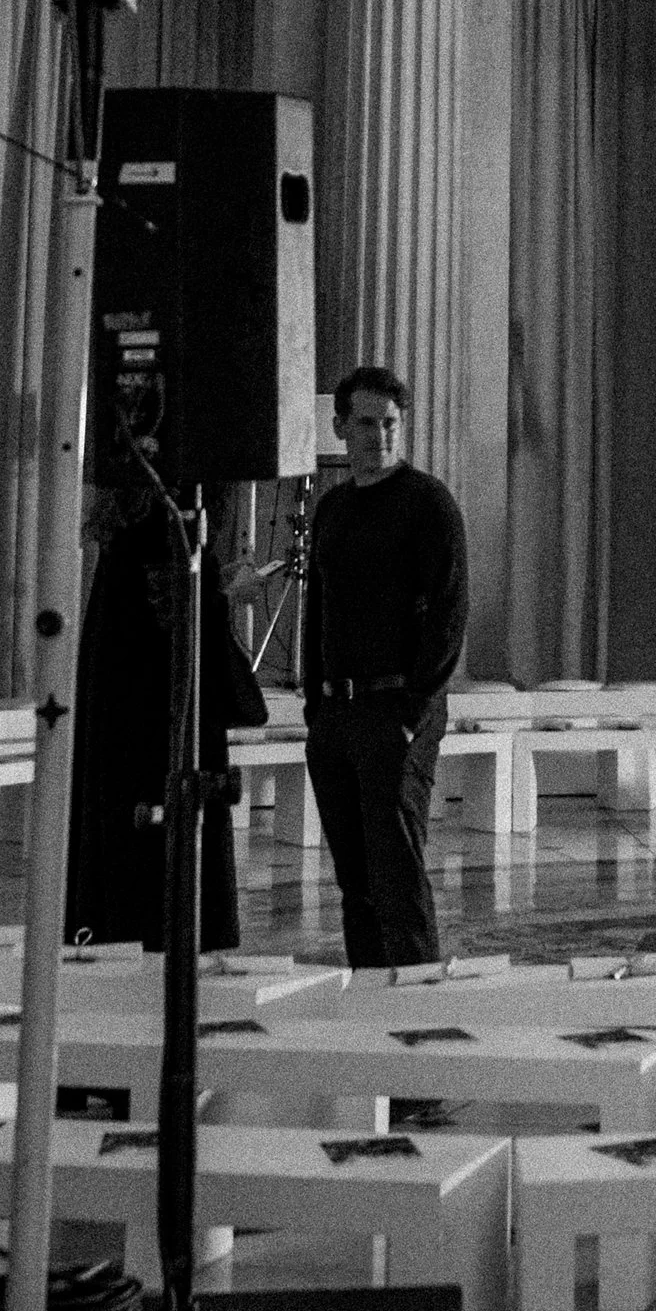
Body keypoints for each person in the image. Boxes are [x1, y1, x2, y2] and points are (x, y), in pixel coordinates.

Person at [302, 366, 471, 969]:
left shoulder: (428, 502)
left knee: (396, 875)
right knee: (356, 885)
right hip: (337, 714)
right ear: (341, 427)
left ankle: (417, 1005)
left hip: (396, 710)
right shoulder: (333, 509)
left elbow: (449, 614)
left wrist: (412, 709)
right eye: (367, 423)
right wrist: (314, 711)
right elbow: (316, 610)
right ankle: (369, 1003)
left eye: (391, 424)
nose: (380, 436)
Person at [67, 454, 265, 953]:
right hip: (161, 712)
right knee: (161, 855)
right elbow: (176, 612)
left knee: (121, 846)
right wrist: (225, 591)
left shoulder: (127, 516)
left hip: (124, 704)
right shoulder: (169, 517)